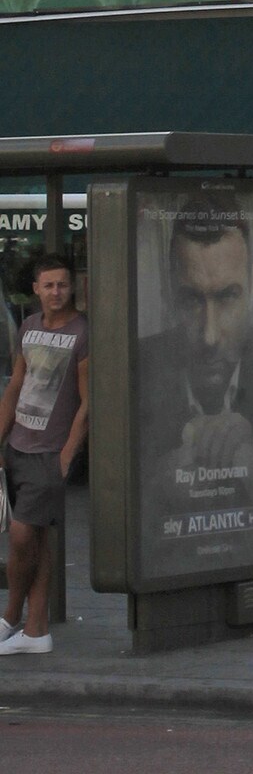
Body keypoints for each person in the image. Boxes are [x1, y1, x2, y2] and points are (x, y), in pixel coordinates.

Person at [139, 204, 253, 576]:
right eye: (192, 299)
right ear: (167, 291)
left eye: (227, 297)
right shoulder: (138, 367)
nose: (209, 335)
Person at [0, 253, 89, 657]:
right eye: (48, 285)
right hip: (18, 445)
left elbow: (88, 403)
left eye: (63, 285)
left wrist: (66, 456)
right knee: (37, 539)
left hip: (49, 453)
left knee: (22, 536)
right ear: (35, 289)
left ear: (73, 288)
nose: (56, 292)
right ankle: (36, 631)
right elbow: (16, 387)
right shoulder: (29, 327)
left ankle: (9, 614)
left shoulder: (83, 333)